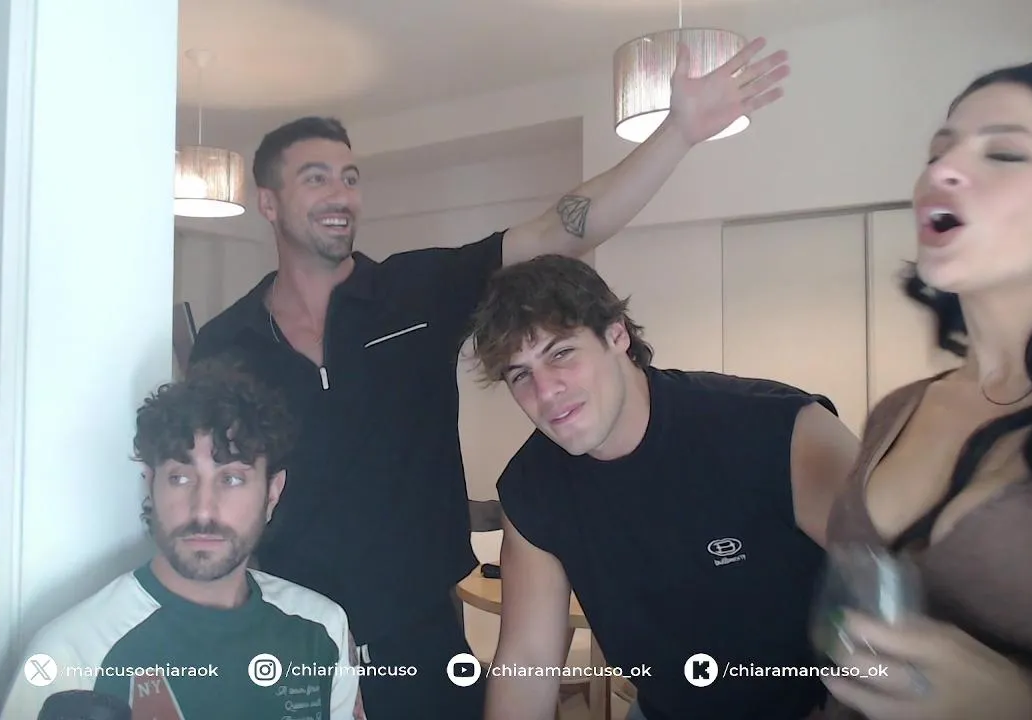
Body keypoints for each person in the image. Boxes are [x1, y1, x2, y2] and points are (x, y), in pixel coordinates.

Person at [187, 37, 791, 720]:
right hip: (285, 634)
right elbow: (213, 489)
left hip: (421, 638)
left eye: (351, 177)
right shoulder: (226, 342)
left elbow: (561, 230)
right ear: (268, 203)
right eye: (316, 178)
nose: (341, 195)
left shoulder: (416, 292)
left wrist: (677, 132)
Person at [463, 254, 862, 720]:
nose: (546, 391)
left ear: (616, 334)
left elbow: (903, 590)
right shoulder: (532, 487)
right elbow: (528, 661)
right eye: (521, 375)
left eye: (561, 353)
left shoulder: (780, 430)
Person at [818, 59, 1032, 720]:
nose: (941, 170)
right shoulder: (898, 411)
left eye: (1005, 153)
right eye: (937, 151)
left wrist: (1024, 702)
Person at [0, 360, 364, 720]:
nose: (203, 509)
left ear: (272, 492)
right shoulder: (69, 655)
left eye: (231, 479)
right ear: (151, 484)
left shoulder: (322, 630)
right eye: (180, 478)